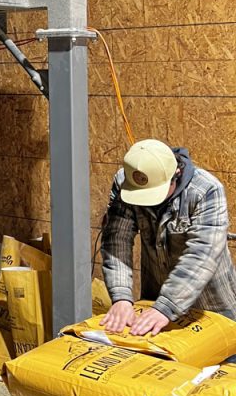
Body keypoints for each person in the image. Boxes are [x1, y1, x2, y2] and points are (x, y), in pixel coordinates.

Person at [101, 138, 236, 337]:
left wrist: (167, 305)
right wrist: (121, 296)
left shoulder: (206, 190)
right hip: (155, 301)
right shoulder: (127, 182)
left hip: (211, 305)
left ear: (176, 174)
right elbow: (116, 239)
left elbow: (202, 255)